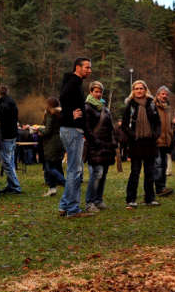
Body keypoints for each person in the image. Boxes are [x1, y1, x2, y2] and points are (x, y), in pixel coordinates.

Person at [58, 58, 93, 217]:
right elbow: (63, 98)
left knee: (73, 169)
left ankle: (65, 205)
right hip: (72, 130)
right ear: (77, 67)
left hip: (71, 129)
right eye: (87, 67)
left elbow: (64, 98)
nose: (89, 70)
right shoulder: (74, 82)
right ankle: (72, 209)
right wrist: (69, 115)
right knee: (75, 171)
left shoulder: (73, 82)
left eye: (90, 68)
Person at [121, 80, 161, 207]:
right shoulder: (130, 105)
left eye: (141, 88)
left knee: (150, 172)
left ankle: (149, 198)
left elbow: (158, 122)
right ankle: (131, 199)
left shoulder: (152, 104)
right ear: (133, 91)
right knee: (135, 172)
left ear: (145, 90)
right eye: (136, 89)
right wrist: (133, 136)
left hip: (150, 142)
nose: (139, 91)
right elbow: (124, 125)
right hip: (136, 143)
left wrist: (155, 135)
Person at [83, 81, 117, 212]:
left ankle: (98, 200)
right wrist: (95, 141)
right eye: (95, 91)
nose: (98, 94)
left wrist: (114, 141)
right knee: (96, 174)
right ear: (91, 92)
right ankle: (89, 202)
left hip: (107, 146)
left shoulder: (105, 108)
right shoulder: (87, 108)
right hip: (94, 146)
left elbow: (111, 128)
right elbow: (87, 128)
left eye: (100, 92)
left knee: (103, 175)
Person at [0, 85, 22, 194]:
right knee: (10, 161)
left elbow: (0, 120)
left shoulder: (2, 105)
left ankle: (15, 186)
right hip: (13, 135)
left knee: (6, 163)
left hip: (6, 136)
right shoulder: (12, 103)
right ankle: (11, 185)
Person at [39, 97, 65, 197]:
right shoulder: (60, 113)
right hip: (60, 141)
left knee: (49, 167)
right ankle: (52, 189)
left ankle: (65, 183)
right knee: (57, 165)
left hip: (51, 143)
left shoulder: (51, 113)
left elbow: (48, 130)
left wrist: (39, 130)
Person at [153, 86, 174, 197]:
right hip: (157, 141)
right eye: (162, 94)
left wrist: (171, 138)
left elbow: (170, 125)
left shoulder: (168, 108)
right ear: (157, 95)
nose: (164, 96)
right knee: (158, 165)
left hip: (166, 141)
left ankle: (163, 186)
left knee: (164, 165)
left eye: (166, 94)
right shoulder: (153, 107)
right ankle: (159, 188)